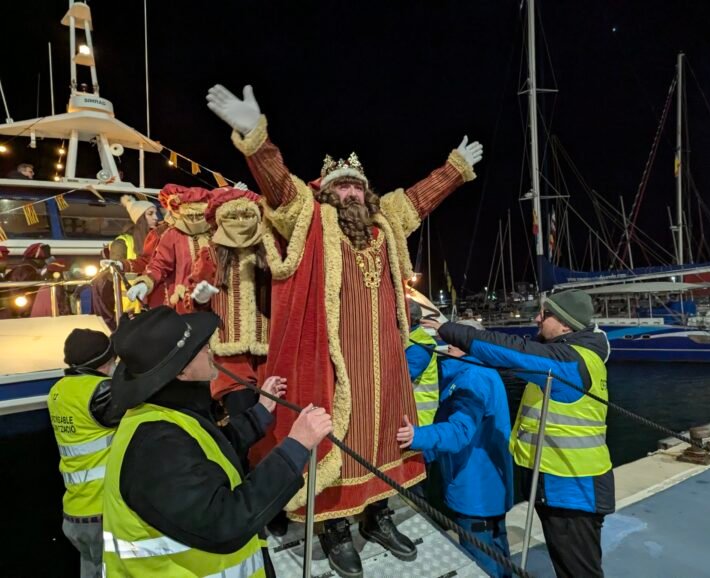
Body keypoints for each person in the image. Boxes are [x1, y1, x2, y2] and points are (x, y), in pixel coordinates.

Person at [207, 83, 483, 576]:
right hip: (337, 362)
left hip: (385, 360)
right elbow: (280, 189)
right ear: (328, 191)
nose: (351, 192)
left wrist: (454, 170)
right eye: (342, 186)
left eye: (357, 185)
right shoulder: (311, 218)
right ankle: (334, 529)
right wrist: (254, 136)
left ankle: (376, 516)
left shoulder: (385, 223)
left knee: (384, 440)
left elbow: (418, 198)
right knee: (337, 443)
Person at [102, 306, 332, 577]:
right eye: (200, 348)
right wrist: (296, 446)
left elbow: (211, 453)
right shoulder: (155, 446)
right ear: (182, 372)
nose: (210, 351)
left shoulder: (167, 413)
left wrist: (260, 413)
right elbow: (225, 521)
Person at [425, 290, 613, 578]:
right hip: (562, 485)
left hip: (573, 489)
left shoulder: (569, 361)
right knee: (569, 567)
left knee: (579, 572)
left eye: (545, 314)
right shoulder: (576, 354)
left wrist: (445, 329)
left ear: (566, 325)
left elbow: (510, 350)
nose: (537, 318)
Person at [398, 319, 513, 577]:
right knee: (499, 554)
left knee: (481, 562)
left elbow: (459, 431)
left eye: (457, 340)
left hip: (475, 494)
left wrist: (415, 436)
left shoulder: (472, 377)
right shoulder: (479, 372)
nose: (448, 344)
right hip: (490, 488)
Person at [185, 185, 271, 416]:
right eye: (234, 216)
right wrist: (199, 298)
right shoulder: (211, 253)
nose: (241, 222)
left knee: (270, 412)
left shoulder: (269, 250)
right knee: (242, 412)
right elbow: (193, 295)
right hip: (228, 351)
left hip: (266, 348)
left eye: (247, 215)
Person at [47, 329, 124, 578]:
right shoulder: (100, 391)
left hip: (75, 512)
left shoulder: (58, 391)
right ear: (104, 362)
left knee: (91, 571)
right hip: (102, 510)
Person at [127, 186, 213, 312]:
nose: (194, 220)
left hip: (215, 301)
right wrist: (145, 283)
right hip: (183, 301)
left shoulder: (216, 233)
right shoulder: (172, 234)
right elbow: (159, 264)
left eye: (199, 215)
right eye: (190, 216)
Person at [405, 298, 439, 426]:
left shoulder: (421, 345)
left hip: (418, 419)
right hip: (409, 416)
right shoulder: (409, 338)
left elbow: (402, 377)